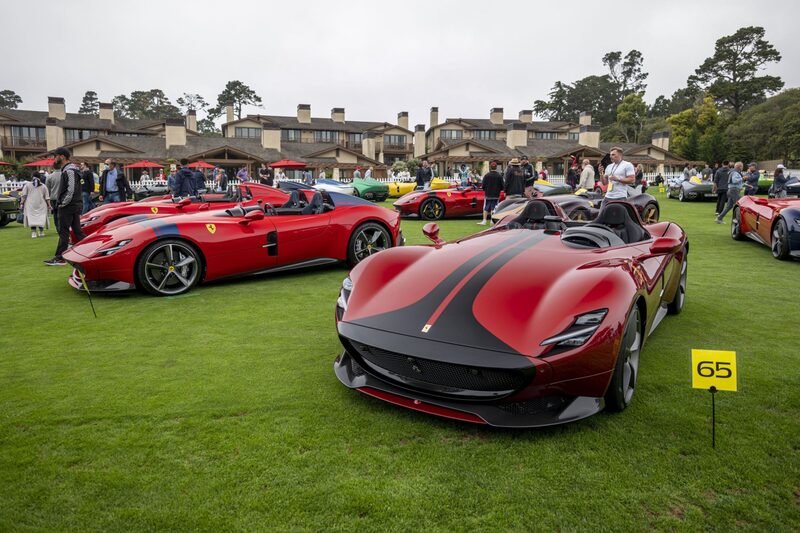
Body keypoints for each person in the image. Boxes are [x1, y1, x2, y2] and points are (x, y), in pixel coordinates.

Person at [44, 147, 87, 266]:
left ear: (62, 157)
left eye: (55, 156)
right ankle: (91, 250)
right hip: (73, 205)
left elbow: (71, 190)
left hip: (69, 206)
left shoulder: (69, 171)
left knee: (63, 232)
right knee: (77, 232)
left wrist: (63, 203)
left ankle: (60, 258)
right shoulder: (71, 170)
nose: (54, 159)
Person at [21, 172, 50, 238]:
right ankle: (41, 232)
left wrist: (21, 203)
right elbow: (47, 197)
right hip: (41, 204)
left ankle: (33, 233)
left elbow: (24, 195)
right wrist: (49, 205)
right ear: (40, 177)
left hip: (30, 204)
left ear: (32, 177)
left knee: (32, 218)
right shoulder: (43, 186)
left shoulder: (27, 185)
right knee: (41, 218)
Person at [479, 161, 503, 225]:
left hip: (488, 194)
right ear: (496, 167)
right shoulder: (499, 176)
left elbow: (483, 186)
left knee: (486, 207)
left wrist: (486, 189)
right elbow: (502, 186)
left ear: (490, 167)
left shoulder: (486, 175)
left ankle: (484, 220)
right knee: (494, 207)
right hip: (496, 194)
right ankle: (492, 221)